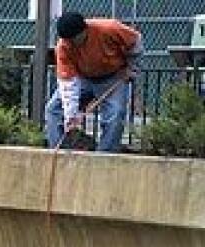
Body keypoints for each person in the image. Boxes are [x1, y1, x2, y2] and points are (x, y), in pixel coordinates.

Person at [45, 12, 144, 153]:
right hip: (82, 78)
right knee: (53, 109)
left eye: (74, 39)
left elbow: (135, 41)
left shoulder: (109, 28)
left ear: (84, 30)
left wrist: (132, 68)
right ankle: (58, 151)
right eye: (67, 40)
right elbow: (68, 83)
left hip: (114, 76)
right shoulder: (63, 46)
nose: (71, 43)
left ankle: (105, 156)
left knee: (115, 114)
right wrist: (71, 115)